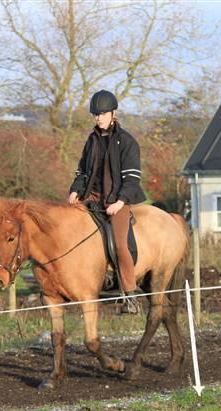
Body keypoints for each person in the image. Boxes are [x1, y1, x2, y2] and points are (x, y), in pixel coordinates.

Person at [68, 90, 146, 313]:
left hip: (117, 201)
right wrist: (75, 191)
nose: (98, 118)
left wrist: (120, 202)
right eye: (95, 114)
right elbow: (82, 172)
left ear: (113, 113)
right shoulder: (91, 141)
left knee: (120, 245)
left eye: (102, 113)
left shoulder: (128, 142)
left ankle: (131, 297)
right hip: (91, 199)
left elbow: (132, 179)